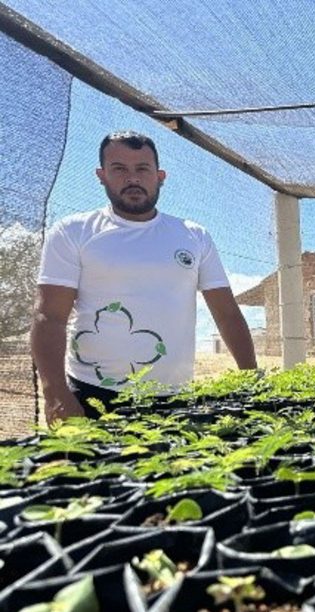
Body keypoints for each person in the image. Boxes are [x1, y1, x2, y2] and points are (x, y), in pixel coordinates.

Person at [30, 131, 256, 426]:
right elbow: (49, 316)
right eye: (119, 169)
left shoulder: (193, 236)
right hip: (92, 395)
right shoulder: (73, 232)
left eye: (142, 169)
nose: (132, 178)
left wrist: (252, 380)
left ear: (160, 176)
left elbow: (227, 314)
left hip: (175, 398)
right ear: (101, 176)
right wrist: (55, 393)